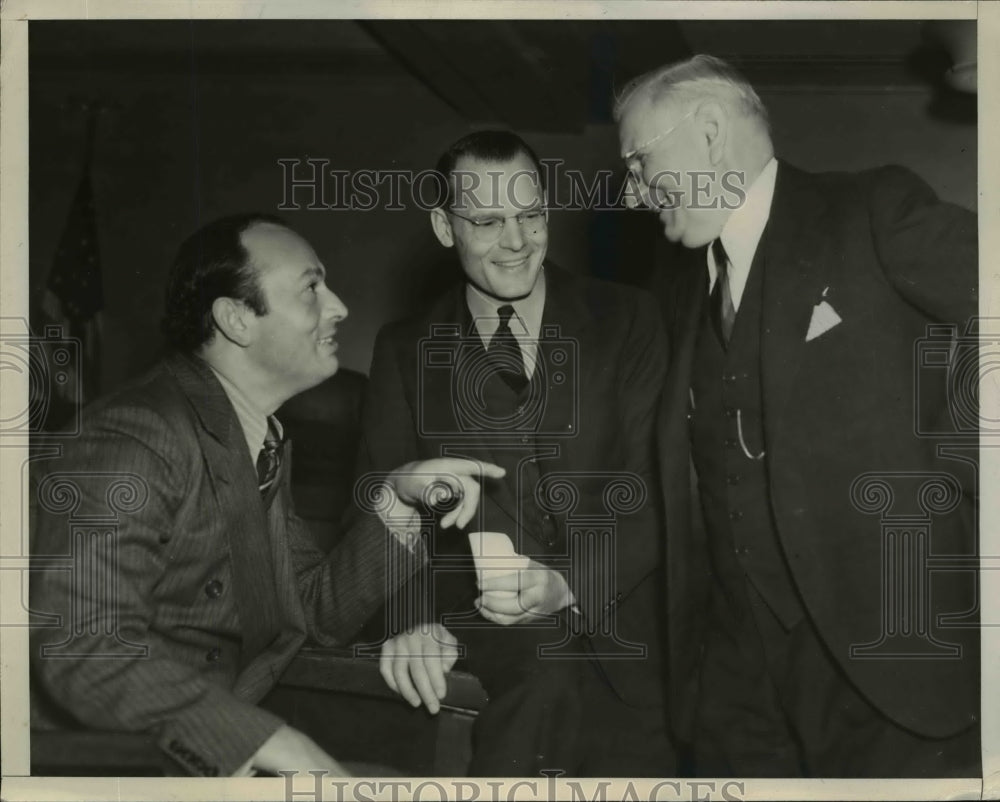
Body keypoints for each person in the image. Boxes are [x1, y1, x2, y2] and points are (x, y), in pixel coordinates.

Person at [29, 213, 502, 777]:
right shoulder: (137, 434)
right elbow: (83, 648)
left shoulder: (255, 439)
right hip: (95, 763)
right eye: (312, 287)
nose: (340, 306)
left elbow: (308, 615)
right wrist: (276, 745)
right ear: (235, 319)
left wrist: (397, 503)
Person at [614, 54, 979, 777]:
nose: (630, 193)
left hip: (888, 665)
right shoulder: (679, 288)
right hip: (734, 683)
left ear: (711, 131)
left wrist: (962, 470)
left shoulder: (870, 211)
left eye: (637, 161)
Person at [362, 131, 674, 777]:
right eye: (488, 221)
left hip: (636, 640)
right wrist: (411, 620)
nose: (518, 241)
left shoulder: (631, 318)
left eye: (532, 216)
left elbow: (663, 485)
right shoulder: (403, 347)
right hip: (492, 646)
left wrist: (571, 582)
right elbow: (377, 502)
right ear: (445, 228)